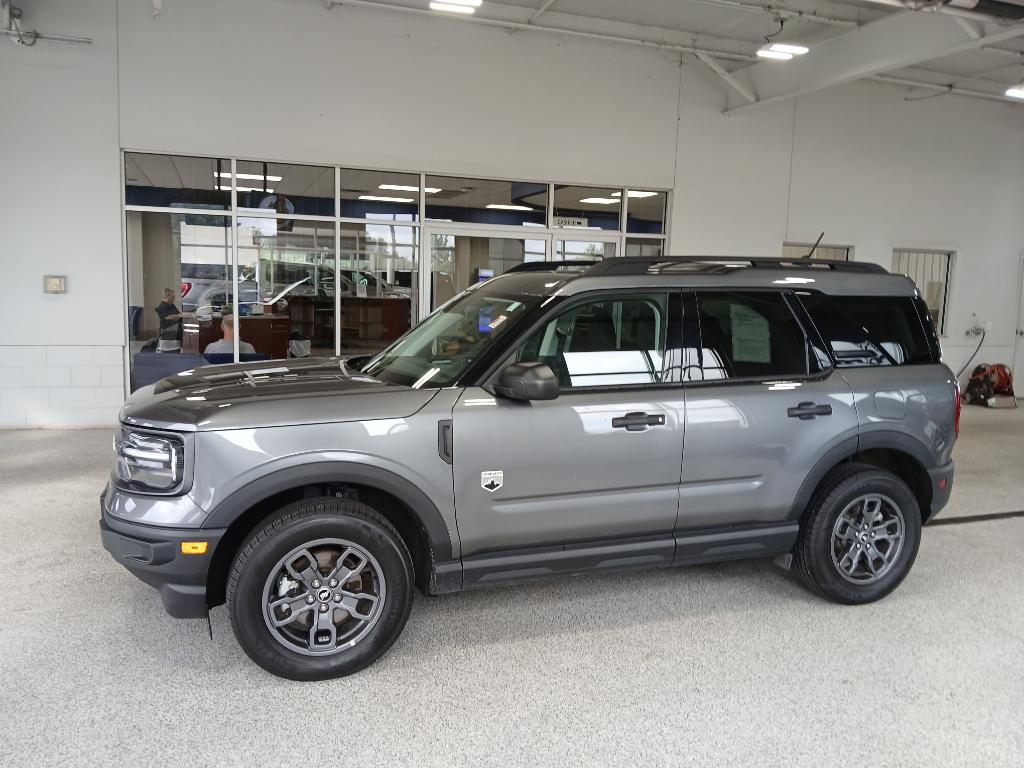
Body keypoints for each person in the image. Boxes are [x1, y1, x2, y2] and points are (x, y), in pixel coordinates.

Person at [155, 288, 183, 352]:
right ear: (167, 296)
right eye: (173, 297)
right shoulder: (162, 307)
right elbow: (168, 317)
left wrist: (180, 315)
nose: (174, 298)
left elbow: (178, 314)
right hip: (167, 341)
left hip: (175, 337)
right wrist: (178, 316)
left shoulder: (171, 305)